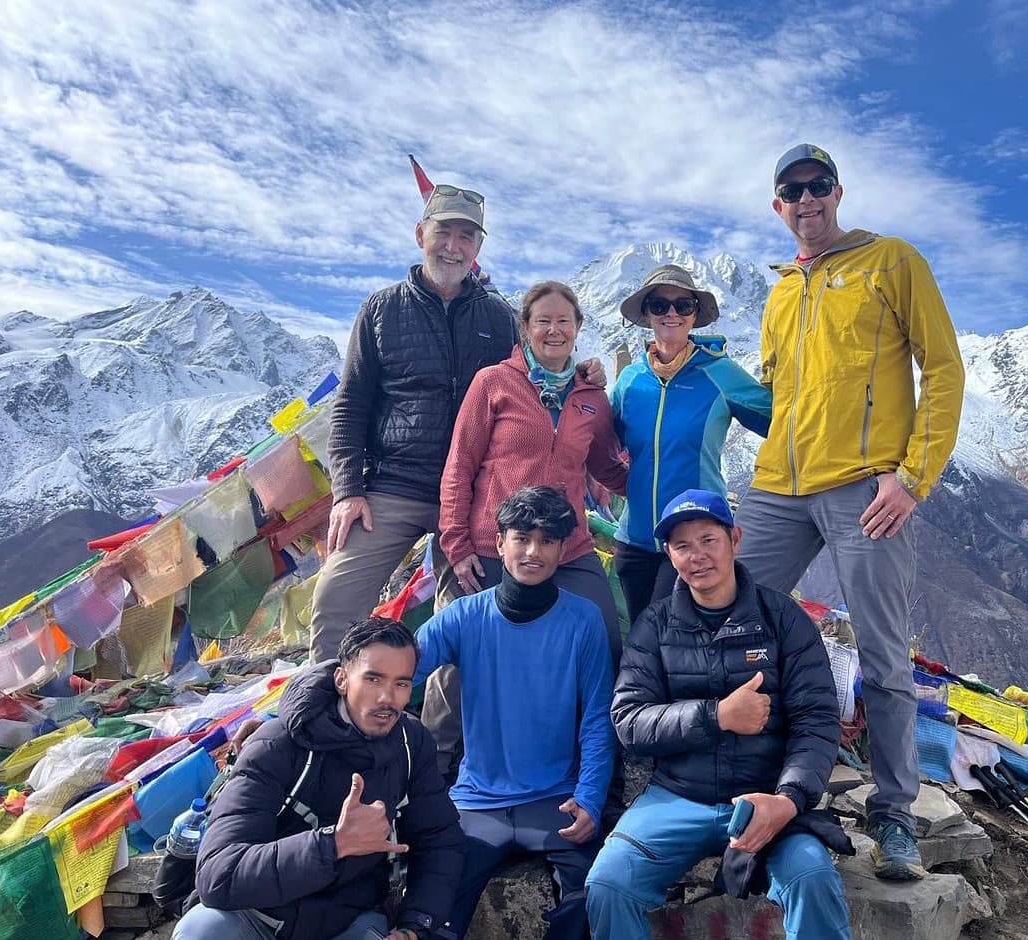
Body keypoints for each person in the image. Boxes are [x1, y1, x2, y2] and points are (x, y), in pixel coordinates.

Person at [736, 143, 965, 880]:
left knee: (882, 650)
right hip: (778, 483)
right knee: (732, 618)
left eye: (818, 187)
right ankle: (752, 777)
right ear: (778, 207)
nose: (806, 201)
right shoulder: (780, 293)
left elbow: (945, 368)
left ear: (838, 192)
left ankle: (895, 812)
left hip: (866, 486)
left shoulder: (892, 261)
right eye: (792, 192)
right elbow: (775, 400)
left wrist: (912, 477)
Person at [585, 489, 849, 940]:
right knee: (608, 884)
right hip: (677, 796)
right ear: (668, 554)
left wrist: (788, 799)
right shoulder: (656, 625)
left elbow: (817, 721)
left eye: (708, 539)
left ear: (735, 540)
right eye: (682, 546)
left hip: (766, 797)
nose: (697, 556)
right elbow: (629, 721)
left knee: (811, 878)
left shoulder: (782, 620)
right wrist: (717, 716)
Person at [310, 183, 518, 662]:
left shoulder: (499, 317)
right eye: (444, 231)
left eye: (467, 236)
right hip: (392, 488)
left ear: (478, 248)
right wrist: (347, 491)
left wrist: (584, 373)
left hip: (471, 493)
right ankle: (329, 722)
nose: (454, 245)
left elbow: (532, 382)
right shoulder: (381, 310)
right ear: (421, 233)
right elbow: (350, 405)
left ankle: (445, 738)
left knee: (467, 619)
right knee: (335, 601)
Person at [175, 618, 464, 940]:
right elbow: (220, 876)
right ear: (342, 679)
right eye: (373, 679)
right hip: (259, 918)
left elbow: (439, 839)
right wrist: (333, 844)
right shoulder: (276, 745)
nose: (387, 698)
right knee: (202, 930)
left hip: (346, 920)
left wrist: (415, 925)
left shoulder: (411, 744)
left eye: (401, 684)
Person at [412, 487, 615, 940]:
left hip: (556, 798)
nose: (532, 551)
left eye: (546, 541)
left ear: (563, 550)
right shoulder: (463, 616)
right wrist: (310, 699)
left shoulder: (583, 620)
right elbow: (395, 666)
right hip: (476, 801)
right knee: (429, 911)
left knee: (591, 902)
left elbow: (598, 717)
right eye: (522, 537)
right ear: (499, 542)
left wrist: (591, 798)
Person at [438, 281, 627, 659]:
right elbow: (459, 465)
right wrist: (456, 546)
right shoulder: (493, 382)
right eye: (543, 321)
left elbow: (608, 468)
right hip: (494, 544)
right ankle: (450, 722)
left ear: (578, 327)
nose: (554, 330)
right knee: (470, 654)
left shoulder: (592, 398)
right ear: (525, 327)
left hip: (568, 546)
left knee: (602, 638)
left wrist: (662, 480)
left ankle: (596, 719)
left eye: (563, 321)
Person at [609, 264, 771, 624]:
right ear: (646, 313)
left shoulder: (720, 374)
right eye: (659, 305)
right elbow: (602, 442)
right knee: (640, 638)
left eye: (683, 305)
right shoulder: (630, 381)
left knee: (672, 637)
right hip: (634, 540)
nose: (671, 313)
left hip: (691, 540)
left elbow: (780, 421)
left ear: (696, 315)